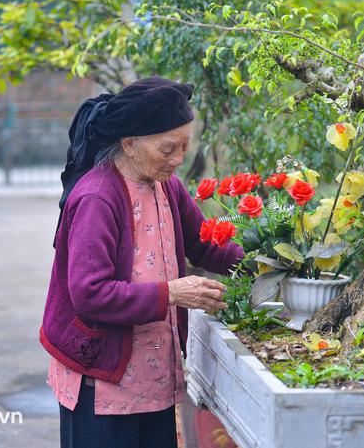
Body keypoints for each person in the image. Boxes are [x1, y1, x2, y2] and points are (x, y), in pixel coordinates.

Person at [40, 77, 244, 448]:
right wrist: (173, 293)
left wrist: (268, 262)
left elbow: (206, 245)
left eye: (185, 146)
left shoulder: (166, 184)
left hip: (152, 377)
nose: (179, 159)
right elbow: (90, 294)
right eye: (169, 148)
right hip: (101, 379)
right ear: (129, 143)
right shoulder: (98, 198)